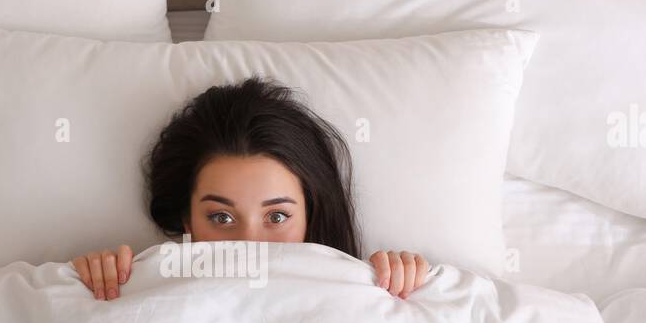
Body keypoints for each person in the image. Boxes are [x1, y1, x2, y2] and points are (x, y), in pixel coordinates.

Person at [71, 77, 432, 301]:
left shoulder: (360, 292)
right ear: (187, 220)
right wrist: (96, 281)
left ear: (311, 215)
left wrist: (397, 282)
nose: (250, 242)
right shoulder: (146, 290)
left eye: (276, 216)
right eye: (222, 217)